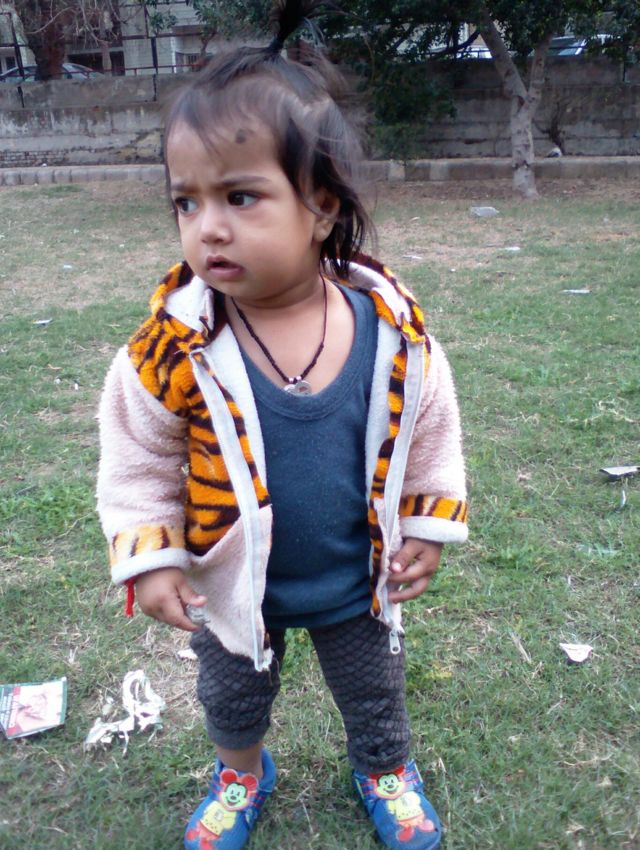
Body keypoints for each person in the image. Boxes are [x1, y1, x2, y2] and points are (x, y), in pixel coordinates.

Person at [97, 3, 468, 848]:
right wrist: (151, 558)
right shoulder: (173, 348)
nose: (208, 227)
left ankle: (383, 770)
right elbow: (137, 458)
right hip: (232, 584)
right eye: (186, 202)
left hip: (354, 579)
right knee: (230, 699)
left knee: (374, 693)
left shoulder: (394, 335)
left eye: (240, 196)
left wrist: (426, 521)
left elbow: (432, 429)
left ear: (321, 207)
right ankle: (240, 772)